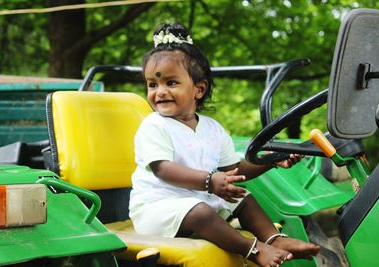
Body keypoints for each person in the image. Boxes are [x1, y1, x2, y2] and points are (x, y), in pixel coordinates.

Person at [129, 23, 320, 267]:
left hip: (198, 200)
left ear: (199, 89)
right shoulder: (154, 126)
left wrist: (270, 161)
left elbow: (234, 172)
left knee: (242, 196)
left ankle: (274, 238)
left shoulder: (212, 128)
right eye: (153, 84)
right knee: (200, 211)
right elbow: (163, 169)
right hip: (156, 210)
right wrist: (210, 181)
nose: (160, 92)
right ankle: (252, 249)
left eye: (171, 83)